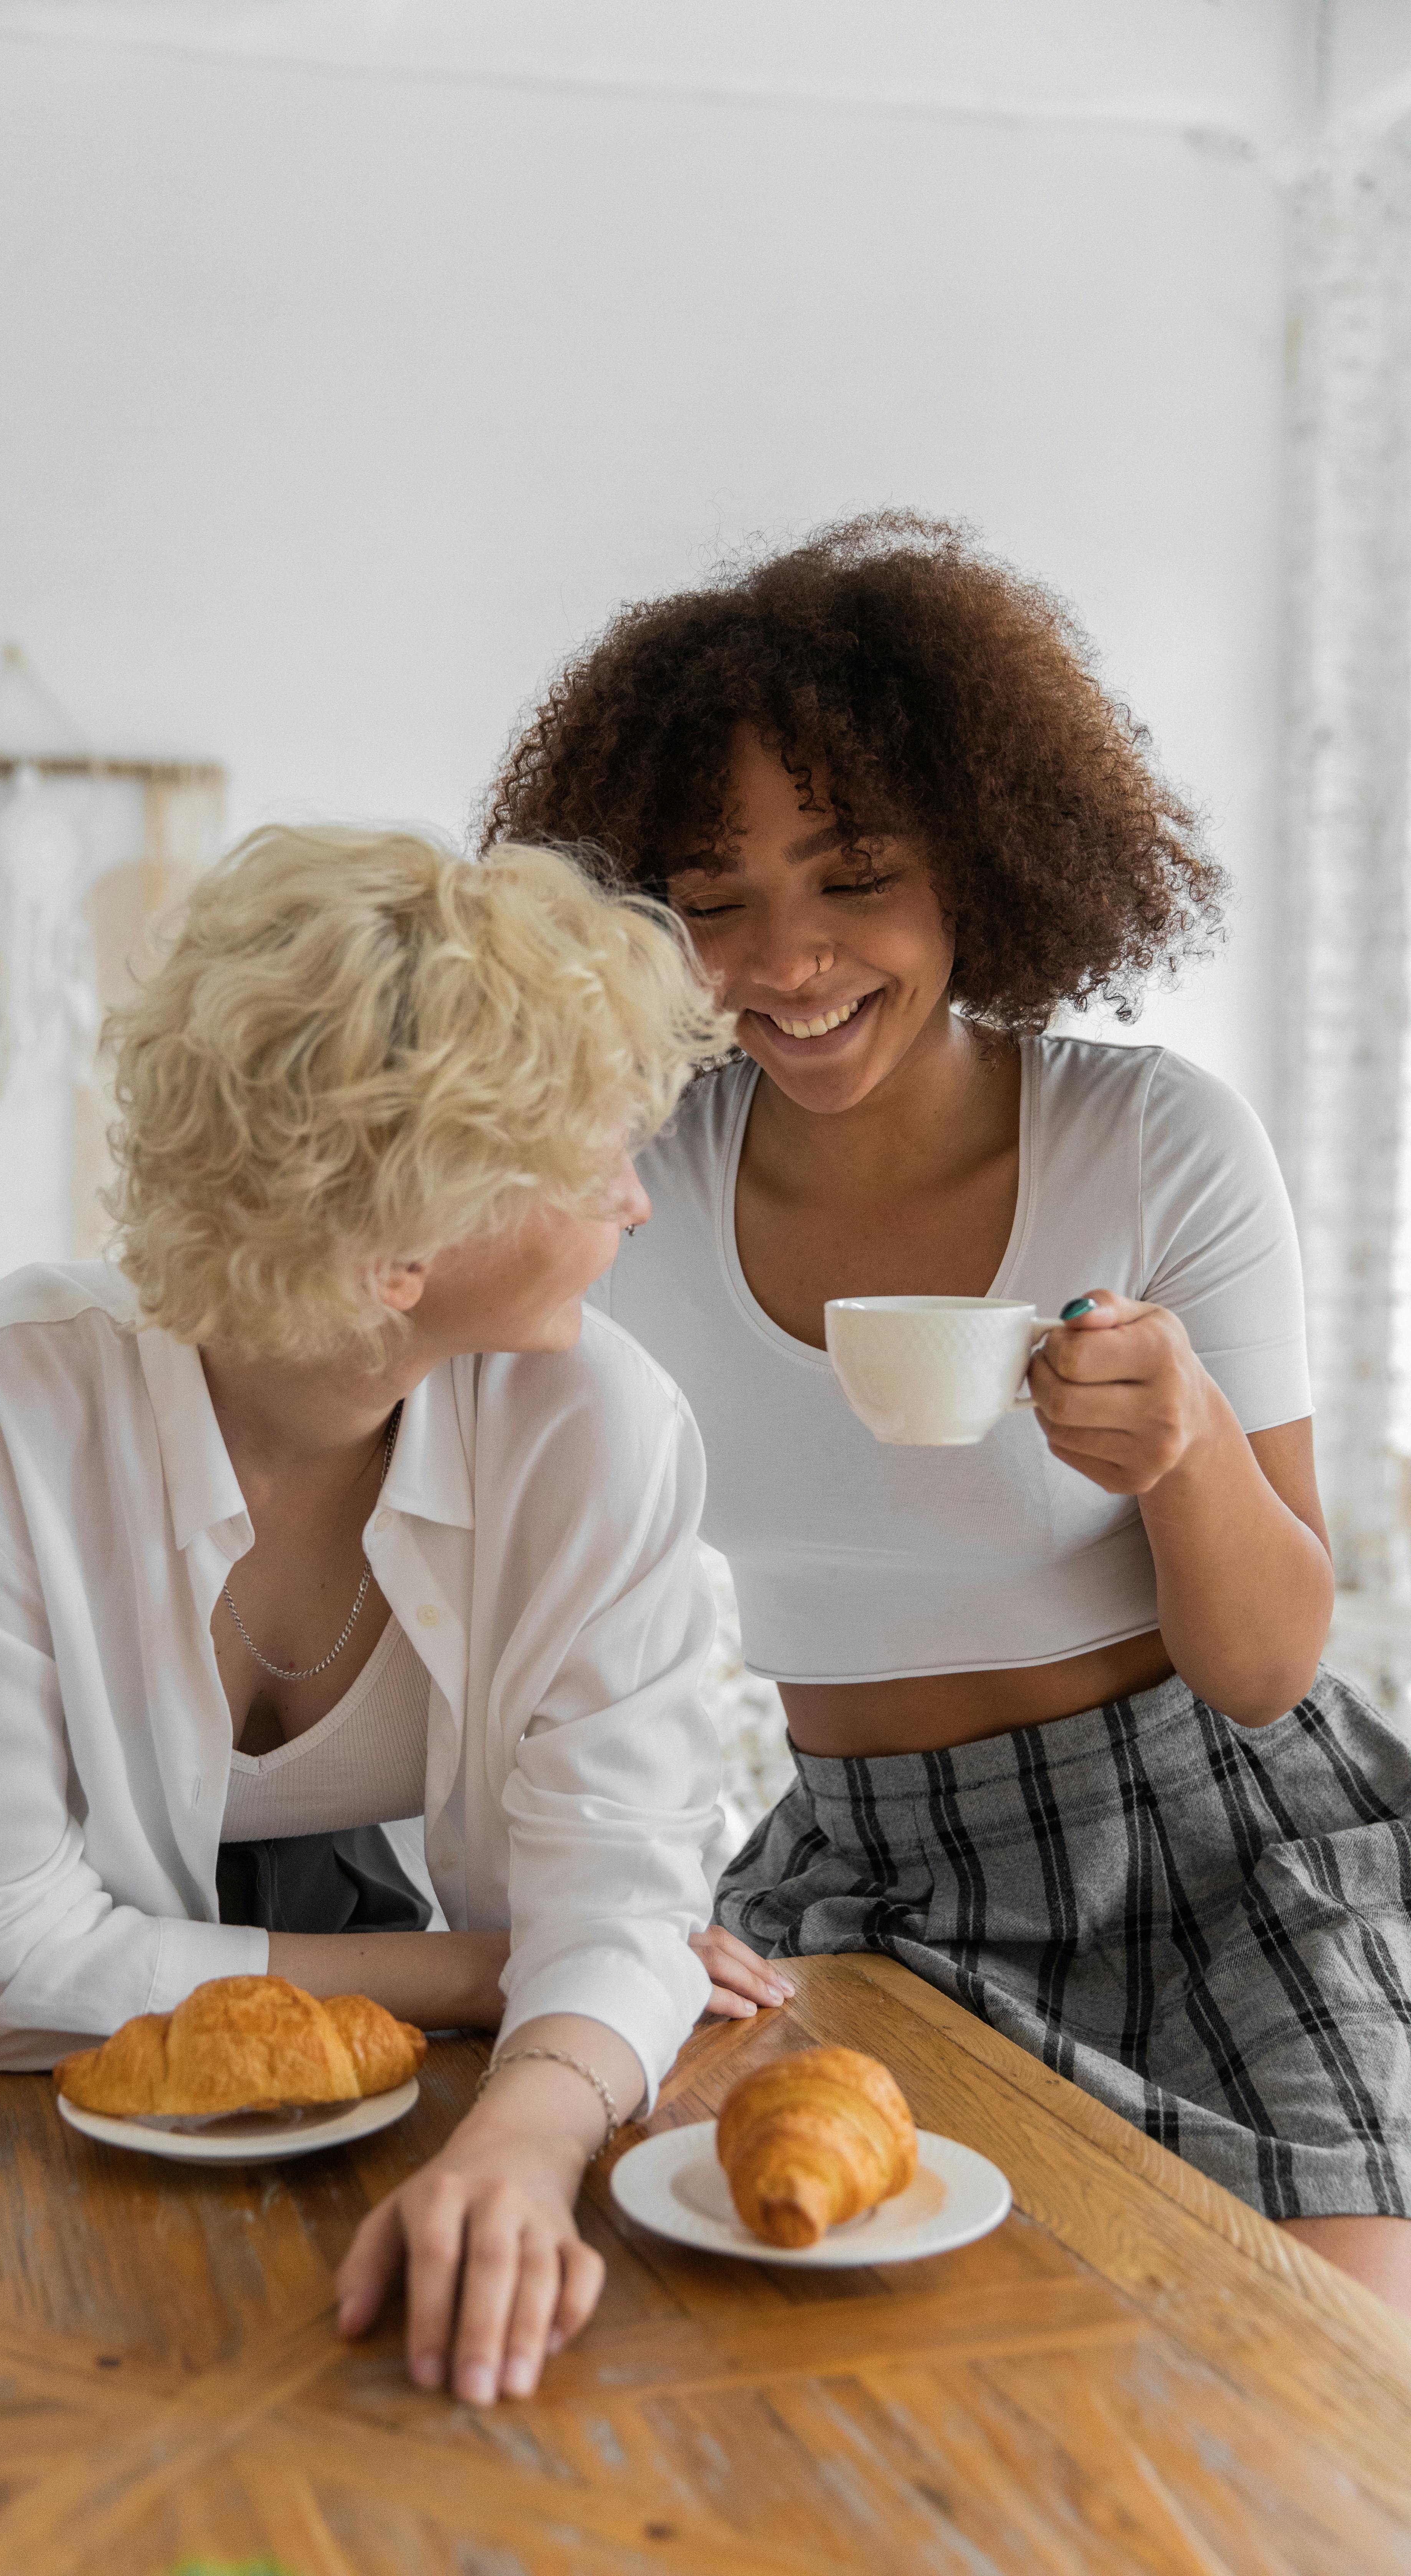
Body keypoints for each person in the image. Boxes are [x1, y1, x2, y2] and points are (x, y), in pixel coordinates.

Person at [484, 513, 1411, 2315]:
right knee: (778, 2328)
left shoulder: (1152, 1143)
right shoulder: (621, 1184)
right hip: (865, 1865)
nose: (788, 959)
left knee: (1335, 2376)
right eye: (711, 897)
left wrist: (1187, 1444)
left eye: (854, 876)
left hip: (1219, 1848)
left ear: (985, 857)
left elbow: (1271, 1664)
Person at [0, 825, 785, 2401]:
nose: (637, 1206)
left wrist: (518, 2150)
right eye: (593, 1164)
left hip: (373, 2101)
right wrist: (480, 1972)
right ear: (402, 1248)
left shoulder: (603, 1430)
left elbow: (625, 1899)